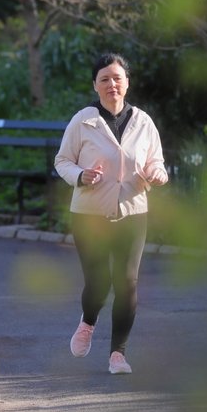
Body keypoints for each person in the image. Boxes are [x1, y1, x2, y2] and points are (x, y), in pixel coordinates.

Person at [54, 52, 168, 375]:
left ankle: (118, 353)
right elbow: (62, 161)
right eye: (104, 79)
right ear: (95, 85)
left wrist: (157, 173)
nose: (111, 84)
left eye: (117, 78)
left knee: (128, 282)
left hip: (133, 212)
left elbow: (155, 161)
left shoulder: (144, 122)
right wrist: (81, 175)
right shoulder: (83, 120)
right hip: (89, 214)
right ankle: (88, 321)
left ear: (127, 83)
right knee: (98, 282)